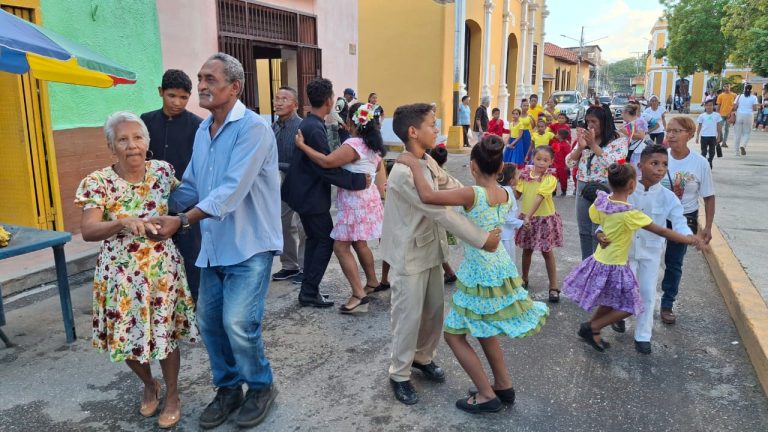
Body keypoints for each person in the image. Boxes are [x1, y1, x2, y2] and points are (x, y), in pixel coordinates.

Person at [149, 53, 283, 429]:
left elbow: (229, 192)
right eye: (200, 78)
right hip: (214, 246)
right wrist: (149, 203)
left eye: (210, 79)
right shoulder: (203, 130)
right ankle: (228, 389)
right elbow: (191, 184)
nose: (202, 86)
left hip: (249, 244)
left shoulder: (253, 128)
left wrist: (180, 220)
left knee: (239, 323)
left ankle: (261, 386)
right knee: (209, 323)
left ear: (234, 87)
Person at [396, 135, 548, 413]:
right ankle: (503, 384)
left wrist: (414, 165)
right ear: (501, 167)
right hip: (500, 266)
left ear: (473, 167)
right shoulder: (504, 193)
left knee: (454, 334)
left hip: (480, 271)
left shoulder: (472, 194)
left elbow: (428, 196)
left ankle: (486, 394)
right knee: (485, 328)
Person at [76, 112, 198, 429]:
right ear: (110, 146)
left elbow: (187, 199)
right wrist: (120, 222)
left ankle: (172, 394)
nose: (132, 146)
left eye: (138, 137)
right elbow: (88, 230)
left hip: (161, 271)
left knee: (165, 335)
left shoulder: (163, 172)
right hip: (119, 274)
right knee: (124, 339)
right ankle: (149, 383)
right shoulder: (97, 182)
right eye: (123, 139)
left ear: (147, 142)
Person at [380, 103, 500, 406]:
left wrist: (479, 197)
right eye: (432, 125)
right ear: (413, 132)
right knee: (407, 317)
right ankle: (399, 374)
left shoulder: (426, 161)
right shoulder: (404, 172)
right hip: (409, 255)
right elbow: (440, 211)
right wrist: (482, 238)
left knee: (433, 311)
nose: (437, 129)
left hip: (430, 251)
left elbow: (452, 187)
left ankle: (422, 357)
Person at [562, 163, 700, 352]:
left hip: (599, 261)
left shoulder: (602, 202)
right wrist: (689, 239)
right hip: (614, 266)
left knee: (609, 302)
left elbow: (596, 219)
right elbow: (661, 230)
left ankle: (591, 331)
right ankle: (592, 327)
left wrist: (600, 234)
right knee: (630, 306)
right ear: (633, 185)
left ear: (610, 183)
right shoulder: (629, 213)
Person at [282, 78, 370, 309]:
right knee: (323, 241)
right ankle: (309, 291)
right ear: (330, 101)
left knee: (316, 239)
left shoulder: (312, 124)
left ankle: (309, 291)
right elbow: (325, 167)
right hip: (309, 196)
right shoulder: (313, 127)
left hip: (305, 193)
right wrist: (357, 180)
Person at [293, 102, 386, 313]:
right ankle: (371, 281)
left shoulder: (353, 144)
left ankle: (358, 293)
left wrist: (303, 146)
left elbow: (327, 162)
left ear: (353, 121)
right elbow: (378, 166)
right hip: (367, 198)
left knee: (340, 247)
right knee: (360, 243)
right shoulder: (373, 144)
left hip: (355, 203)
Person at [606, 144, 695, 354]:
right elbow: (610, 215)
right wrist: (601, 232)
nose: (660, 169)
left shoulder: (668, 197)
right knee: (623, 290)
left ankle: (643, 335)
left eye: (664, 165)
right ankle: (618, 318)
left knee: (647, 293)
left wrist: (688, 236)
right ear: (640, 165)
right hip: (624, 252)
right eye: (654, 163)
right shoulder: (627, 192)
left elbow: (678, 220)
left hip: (651, 253)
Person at [140, 69, 203, 302]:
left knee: (191, 255)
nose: (177, 102)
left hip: (187, 203)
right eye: (172, 96)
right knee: (156, 256)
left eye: (184, 97)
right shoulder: (145, 122)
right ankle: (162, 302)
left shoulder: (199, 126)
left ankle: (194, 303)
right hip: (152, 202)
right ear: (160, 92)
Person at [658, 116, 716, 325]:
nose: (671, 135)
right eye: (669, 131)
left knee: (674, 262)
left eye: (677, 131)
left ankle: (667, 303)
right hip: (657, 218)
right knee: (646, 258)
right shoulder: (660, 156)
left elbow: (709, 197)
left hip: (685, 218)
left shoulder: (700, 163)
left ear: (690, 135)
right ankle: (633, 303)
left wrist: (707, 227)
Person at [568, 104, 628, 259]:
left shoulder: (618, 140)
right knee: (584, 229)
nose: (590, 125)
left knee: (600, 231)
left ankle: (598, 264)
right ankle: (586, 264)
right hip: (583, 185)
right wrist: (580, 148)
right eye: (588, 121)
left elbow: (615, 165)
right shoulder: (584, 139)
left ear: (604, 121)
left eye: (594, 121)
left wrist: (594, 145)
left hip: (605, 187)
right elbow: (569, 162)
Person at [515, 146, 563, 302]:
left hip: (543, 219)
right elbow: (516, 195)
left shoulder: (550, 179)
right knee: (526, 250)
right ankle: (524, 279)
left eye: (546, 160)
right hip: (527, 218)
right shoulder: (524, 176)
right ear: (532, 159)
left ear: (551, 162)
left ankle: (553, 286)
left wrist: (528, 216)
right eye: (538, 159)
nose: (541, 163)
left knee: (547, 252)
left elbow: (540, 197)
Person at [271, 86, 306, 283]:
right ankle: (289, 265)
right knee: (284, 223)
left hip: (300, 180)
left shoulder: (302, 127)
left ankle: (304, 267)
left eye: (284, 99)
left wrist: (275, 165)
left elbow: (303, 159)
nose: (279, 102)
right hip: (280, 182)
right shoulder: (273, 127)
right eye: (277, 98)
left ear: (295, 104)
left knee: (303, 226)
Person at [429, 146, 460, 284]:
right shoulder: (445, 172)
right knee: (438, 246)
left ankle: (449, 272)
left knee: (436, 247)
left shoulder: (433, 174)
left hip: (437, 215)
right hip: (446, 213)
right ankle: (448, 272)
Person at [498, 164, 524, 263]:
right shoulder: (506, 193)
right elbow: (504, 216)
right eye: (517, 175)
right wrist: (521, 223)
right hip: (505, 236)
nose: (519, 177)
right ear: (511, 180)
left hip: (506, 234)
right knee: (507, 263)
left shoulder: (503, 190)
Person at [731, 84, 759, 156]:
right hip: (749, 115)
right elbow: (755, 108)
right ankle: (743, 145)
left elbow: (734, 106)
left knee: (737, 134)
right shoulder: (754, 97)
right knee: (747, 133)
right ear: (751, 89)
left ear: (744, 89)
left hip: (739, 115)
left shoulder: (739, 96)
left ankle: (736, 152)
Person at [696, 99, 723, 168]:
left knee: (712, 151)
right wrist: (697, 136)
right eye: (707, 105)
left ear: (713, 106)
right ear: (705, 106)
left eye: (710, 105)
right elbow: (699, 126)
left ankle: (710, 161)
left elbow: (719, 126)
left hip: (713, 136)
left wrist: (719, 136)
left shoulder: (717, 115)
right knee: (703, 152)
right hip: (704, 136)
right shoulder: (702, 116)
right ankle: (704, 164)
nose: (709, 107)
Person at [509, 99, 536, 168]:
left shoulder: (530, 116)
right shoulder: (517, 115)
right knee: (518, 150)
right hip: (518, 135)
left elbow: (533, 126)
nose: (526, 107)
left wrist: (532, 120)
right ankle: (518, 166)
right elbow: (513, 125)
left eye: (527, 106)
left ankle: (525, 167)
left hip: (526, 134)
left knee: (526, 150)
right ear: (521, 106)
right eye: (524, 105)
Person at [551, 128, 573, 196]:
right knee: (553, 178)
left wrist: (567, 166)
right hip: (555, 164)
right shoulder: (557, 143)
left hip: (562, 165)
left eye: (557, 134)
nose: (556, 135)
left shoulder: (566, 145)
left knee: (563, 178)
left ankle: (564, 190)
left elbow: (568, 156)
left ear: (560, 136)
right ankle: (553, 191)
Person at [717, 83, 736, 148]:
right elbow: (718, 105)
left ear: (730, 87)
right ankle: (721, 138)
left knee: (727, 129)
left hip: (729, 115)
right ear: (723, 87)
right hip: (721, 114)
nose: (726, 88)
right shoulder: (720, 96)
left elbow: (735, 105)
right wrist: (717, 114)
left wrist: (733, 112)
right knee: (719, 128)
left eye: (727, 86)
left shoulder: (734, 95)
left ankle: (724, 142)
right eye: (725, 86)